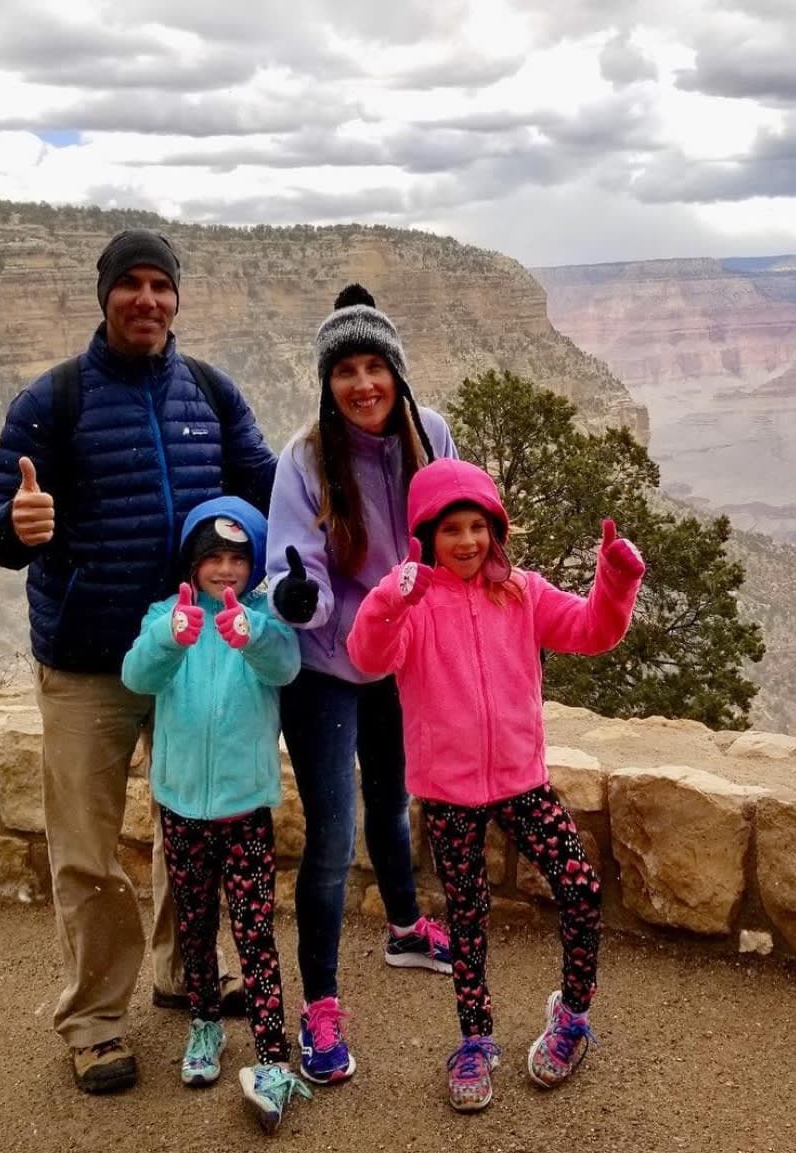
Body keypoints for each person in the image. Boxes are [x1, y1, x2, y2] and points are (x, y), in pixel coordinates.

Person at [0, 229, 278, 1094]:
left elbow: (268, 488)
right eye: (131, 284)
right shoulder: (54, 399)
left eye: (160, 284)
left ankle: (187, 970)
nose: (147, 299)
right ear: (104, 294)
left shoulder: (210, 392)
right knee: (86, 848)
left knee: (196, 820)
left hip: (191, 661)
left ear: (177, 297)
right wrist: (16, 526)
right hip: (88, 663)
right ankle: (97, 1019)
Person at [347, 458, 645, 1112]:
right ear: (427, 536)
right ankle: (475, 1041)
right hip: (448, 793)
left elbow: (592, 629)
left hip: (521, 782)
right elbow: (367, 656)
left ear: (496, 530)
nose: (467, 541)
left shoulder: (522, 592)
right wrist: (391, 597)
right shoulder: (414, 606)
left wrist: (617, 580)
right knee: (468, 917)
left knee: (580, 887)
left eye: (477, 526)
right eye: (451, 529)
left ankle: (572, 1015)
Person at [264, 284, 458, 1085]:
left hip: (398, 654)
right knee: (334, 835)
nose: (363, 383)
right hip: (325, 665)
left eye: (375, 365)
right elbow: (293, 562)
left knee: (393, 798)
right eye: (346, 369)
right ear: (328, 380)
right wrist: (297, 596)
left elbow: (451, 530)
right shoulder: (306, 457)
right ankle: (319, 1005)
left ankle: (405, 928)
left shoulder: (430, 436)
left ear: (397, 371)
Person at [122, 496, 311, 1132]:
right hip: (181, 807)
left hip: (244, 809)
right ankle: (205, 1023)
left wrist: (250, 634)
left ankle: (272, 1051)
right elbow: (136, 676)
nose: (225, 569)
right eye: (213, 557)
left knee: (256, 931)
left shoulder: (264, 618)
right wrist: (169, 640)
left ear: (253, 565)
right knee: (196, 924)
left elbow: (286, 666)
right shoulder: (166, 615)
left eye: (237, 558)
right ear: (192, 562)